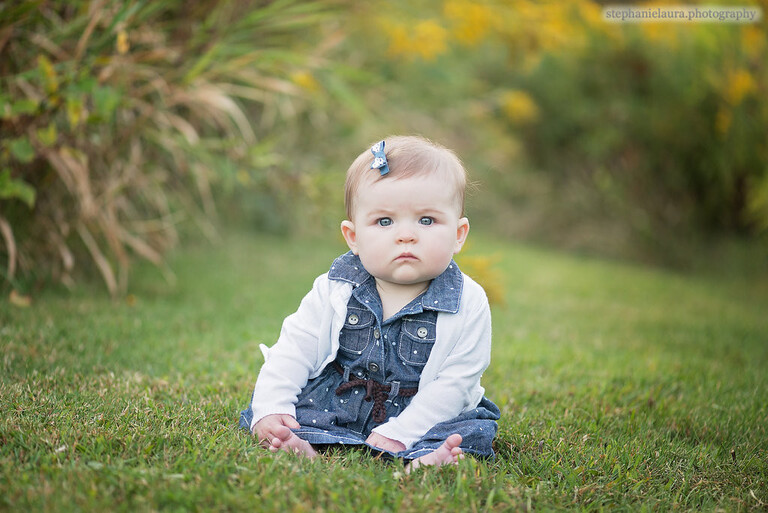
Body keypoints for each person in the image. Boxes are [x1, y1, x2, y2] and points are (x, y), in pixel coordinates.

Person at [239, 135, 500, 470]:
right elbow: (295, 347)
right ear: (353, 237)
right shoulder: (336, 287)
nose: (406, 235)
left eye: (427, 220)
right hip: (341, 401)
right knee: (282, 412)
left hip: (425, 407)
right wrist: (273, 406)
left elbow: (456, 382)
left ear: (459, 234)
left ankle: (428, 457)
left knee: (467, 430)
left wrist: (404, 431)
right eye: (385, 222)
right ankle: (297, 441)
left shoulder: (467, 301)